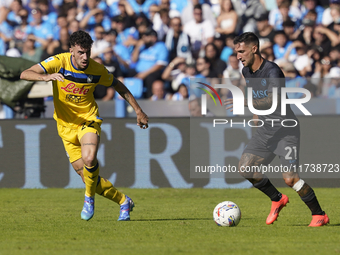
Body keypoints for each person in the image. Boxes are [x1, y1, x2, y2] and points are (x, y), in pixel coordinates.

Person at [20, 30, 149, 221]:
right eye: (81, 52)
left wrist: (138, 111)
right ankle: (123, 201)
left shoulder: (96, 70)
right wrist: (45, 77)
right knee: (90, 179)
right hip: (65, 127)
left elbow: (119, 86)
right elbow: (25, 74)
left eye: (88, 52)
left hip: (88, 121)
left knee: (89, 159)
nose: (85, 57)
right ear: (71, 50)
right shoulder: (58, 62)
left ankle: (88, 198)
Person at [225, 32, 328, 227]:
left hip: (285, 130)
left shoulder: (272, 71)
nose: (238, 56)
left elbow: (275, 99)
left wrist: (246, 103)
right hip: (266, 130)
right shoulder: (246, 72)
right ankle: (277, 198)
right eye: (236, 52)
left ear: (254, 49)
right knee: (245, 168)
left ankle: (319, 214)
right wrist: (256, 115)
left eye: (241, 51)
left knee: (290, 179)